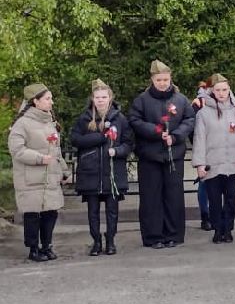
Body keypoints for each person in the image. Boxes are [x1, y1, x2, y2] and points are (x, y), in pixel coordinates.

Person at [129, 60, 195, 249]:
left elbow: (189, 119)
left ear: (170, 78)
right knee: (151, 197)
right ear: (152, 79)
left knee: (174, 196)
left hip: (174, 155)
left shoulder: (180, 99)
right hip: (149, 156)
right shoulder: (142, 100)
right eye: (159, 80)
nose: (163, 83)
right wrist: (155, 131)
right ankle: (153, 236)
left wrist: (176, 136)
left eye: (165, 79)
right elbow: (134, 120)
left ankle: (174, 234)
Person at [70, 79, 134, 256]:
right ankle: (96, 241)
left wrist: (117, 151)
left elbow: (128, 143)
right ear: (92, 98)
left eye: (104, 97)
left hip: (112, 172)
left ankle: (110, 240)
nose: (100, 100)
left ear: (110, 98)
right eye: (97, 97)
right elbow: (75, 139)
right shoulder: (84, 118)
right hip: (90, 172)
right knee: (93, 211)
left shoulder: (120, 119)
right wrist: (98, 138)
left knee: (112, 210)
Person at [8, 83, 70, 262]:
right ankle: (33, 249)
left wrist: (64, 171)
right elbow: (17, 150)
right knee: (33, 215)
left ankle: (47, 246)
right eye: (48, 99)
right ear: (35, 101)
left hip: (50, 177)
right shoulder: (22, 124)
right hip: (31, 178)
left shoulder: (50, 122)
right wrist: (39, 158)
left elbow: (56, 151)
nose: (52, 102)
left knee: (50, 213)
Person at [192, 73, 235, 244]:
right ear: (212, 91)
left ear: (229, 90)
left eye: (224, 89)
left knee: (231, 199)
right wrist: (200, 164)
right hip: (213, 164)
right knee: (214, 200)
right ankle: (218, 230)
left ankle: (228, 228)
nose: (221, 93)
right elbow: (199, 139)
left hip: (234, 163)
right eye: (218, 90)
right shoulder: (204, 113)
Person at [191, 81, 213, 230]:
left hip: (219, 147)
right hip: (204, 147)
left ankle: (216, 214)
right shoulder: (197, 104)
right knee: (204, 182)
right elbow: (192, 129)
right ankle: (205, 216)